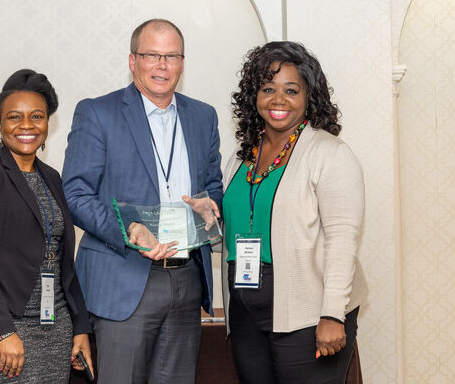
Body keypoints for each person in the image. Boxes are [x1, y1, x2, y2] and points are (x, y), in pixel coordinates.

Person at [62, 19, 223, 384]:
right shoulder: (98, 112)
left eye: (171, 56)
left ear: (182, 62)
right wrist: (129, 229)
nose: (162, 66)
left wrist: (208, 206)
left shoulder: (203, 116)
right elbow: (75, 194)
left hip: (186, 279)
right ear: (133, 60)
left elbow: (213, 185)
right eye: (152, 55)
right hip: (125, 276)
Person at [221, 41, 367, 384]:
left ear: (308, 96)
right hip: (245, 307)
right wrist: (207, 220)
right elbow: (242, 229)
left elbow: (342, 241)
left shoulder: (330, 154)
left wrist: (332, 315)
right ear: (253, 96)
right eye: (267, 88)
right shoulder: (240, 159)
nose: (278, 100)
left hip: (307, 309)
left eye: (291, 90)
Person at [0, 69, 93, 383]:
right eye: (15, 117)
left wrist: (80, 326)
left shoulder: (52, 177)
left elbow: (63, 262)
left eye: (37, 116)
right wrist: (3, 332)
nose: (27, 125)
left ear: (48, 123)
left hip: (54, 324)